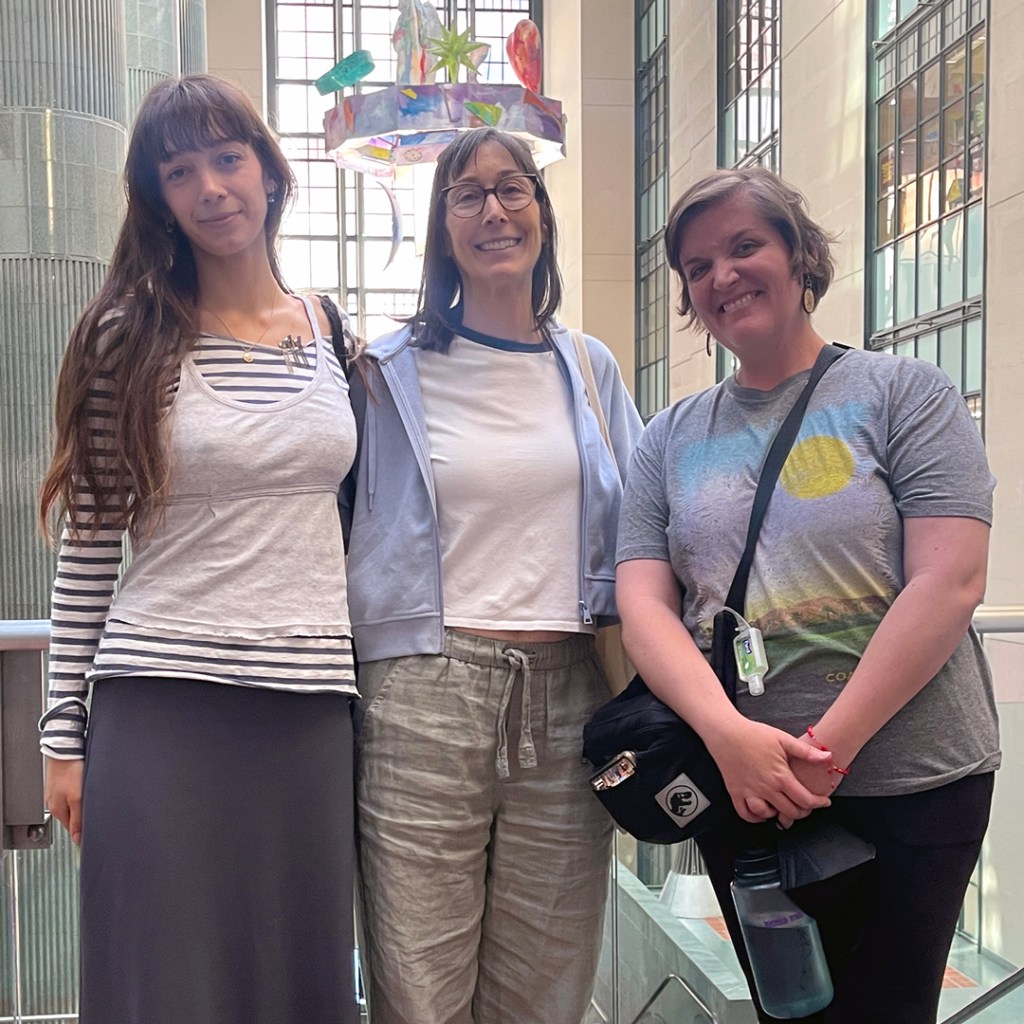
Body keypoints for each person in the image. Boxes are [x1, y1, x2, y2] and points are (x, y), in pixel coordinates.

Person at [615, 165, 1000, 1024]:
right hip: (744, 789)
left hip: (913, 782)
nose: (722, 276)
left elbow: (950, 580)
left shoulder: (904, 394)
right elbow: (643, 606)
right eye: (697, 267)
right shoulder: (667, 438)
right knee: (788, 1011)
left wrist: (823, 754)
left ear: (799, 256)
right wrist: (730, 741)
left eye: (744, 246)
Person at [38, 74, 359, 1024]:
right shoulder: (126, 336)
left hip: (309, 704)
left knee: (300, 974)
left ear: (268, 170)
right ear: (159, 199)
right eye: (181, 172)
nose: (212, 187)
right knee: (166, 981)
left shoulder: (331, 331)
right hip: (162, 705)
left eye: (227, 158)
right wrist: (62, 737)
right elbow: (90, 548)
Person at [343, 126, 643, 1024]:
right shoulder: (384, 373)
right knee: (418, 992)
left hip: (572, 696)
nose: (493, 212)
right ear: (443, 227)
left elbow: (644, 532)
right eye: (466, 195)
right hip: (421, 696)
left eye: (513, 188)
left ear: (542, 213)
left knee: (545, 994)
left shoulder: (589, 367)